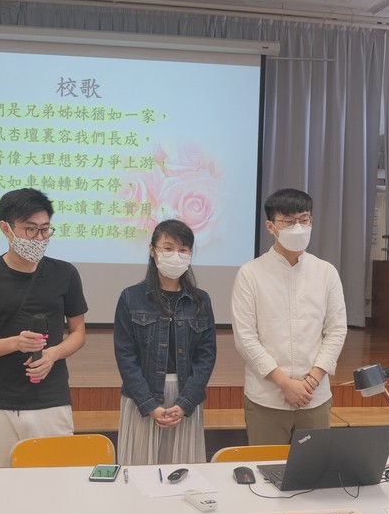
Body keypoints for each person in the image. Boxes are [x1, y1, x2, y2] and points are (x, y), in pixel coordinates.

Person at [0, 188, 88, 468]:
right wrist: (15, 343)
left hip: (50, 400)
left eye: (45, 230)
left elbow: (78, 333)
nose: (39, 238)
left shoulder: (65, 274)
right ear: (5, 228)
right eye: (30, 229)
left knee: (54, 482)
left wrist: (52, 354)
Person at [231, 188, 348, 445]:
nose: (298, 228)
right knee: (266, 467)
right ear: (270, 226)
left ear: (312, 222)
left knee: (314, 467)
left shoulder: (326, 272)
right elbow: (245, 338)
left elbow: (336, 330)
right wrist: (284, 383)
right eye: (288, 221)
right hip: (267, 398)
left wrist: (311, 381)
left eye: (303, 220)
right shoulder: (250, 273)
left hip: (314, 398)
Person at [114, 219, 217, 465]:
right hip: (143, 399)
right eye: (168, 248)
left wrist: (185, 403)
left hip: (185, 398)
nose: (176, 255)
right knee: (139, 473)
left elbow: (206, 357)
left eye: (183, 250)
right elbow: (125, 356)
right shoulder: (131, 297)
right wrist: (150, 405)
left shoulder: (200, 300)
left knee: (183, 475)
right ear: (153, 250)